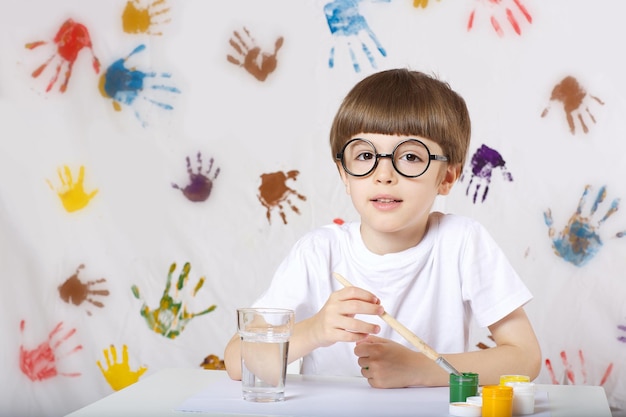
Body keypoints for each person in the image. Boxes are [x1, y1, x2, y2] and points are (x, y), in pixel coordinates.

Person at [224, 68, 541, 388]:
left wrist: (418, 369)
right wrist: (315, 330)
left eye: (411, 157)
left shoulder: (462, 243)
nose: (384, 174)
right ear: (345, 175)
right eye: (365, 155)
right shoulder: (319, 252)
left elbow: (525, 358)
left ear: (446, 178)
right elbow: (238, 360)